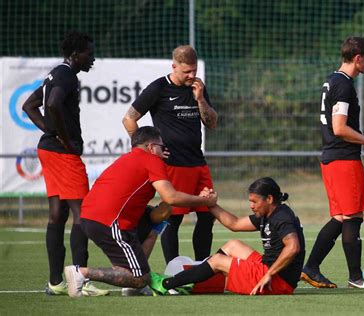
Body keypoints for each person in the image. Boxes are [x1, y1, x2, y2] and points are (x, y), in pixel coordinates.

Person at [63, 126, 217, 298]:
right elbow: (171, 197)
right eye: (162, 146)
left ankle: (131, 285)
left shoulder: (129, 158)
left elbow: (157, 210)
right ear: (151, 147)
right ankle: (82, 273)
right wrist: (204, 200)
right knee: (140, 277)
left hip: (93, 217)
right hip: (109, 221)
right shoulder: (152, 161)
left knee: (155, 222)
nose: (164, 150)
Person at [22, 31, 108, 296]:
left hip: (49, 151)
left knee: (57, 214)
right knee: (84, 213)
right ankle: (79, 281)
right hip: (62, 153)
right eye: (89, 54)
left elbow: (29, 105)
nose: (92, 59)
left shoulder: (56, 73)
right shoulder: (67, 75)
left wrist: (50, 130)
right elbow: (54, 103)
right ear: (74, 55)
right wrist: (62, 135)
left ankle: (56, 282)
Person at [122, 45, 218, 264]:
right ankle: (173, 271)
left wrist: (201, 99)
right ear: (174, 66)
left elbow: (212, 123)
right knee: (172, 219)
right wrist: (146, 150)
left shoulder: (197, 88)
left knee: (207, 215)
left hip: (198, 162)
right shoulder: (158, 88)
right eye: (186, 72)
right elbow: (129, 118)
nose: (191, 75)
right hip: (173, 164)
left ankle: (201, 268)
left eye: (194, 71)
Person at [300, 36, 364, 289]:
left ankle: (310, 267)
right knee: (353, 217)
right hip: (343, 158)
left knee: (342, 217)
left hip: (333, 158)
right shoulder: (342, 85)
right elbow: (340, 127)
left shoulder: (333, 80)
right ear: (357, 58)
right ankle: (355, 278)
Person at [150, 177, 305, 296]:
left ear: (269, 199)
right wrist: (210, 204)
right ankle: (192, 284)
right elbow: (235, 224)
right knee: (233, 245)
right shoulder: (269, 212)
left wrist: (268, 275)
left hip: (276, 281)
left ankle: (166, 284)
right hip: (269, 269)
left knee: (217, 261)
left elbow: (293, 247)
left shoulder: (281, 217)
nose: (251, 205)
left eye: (254, 202)